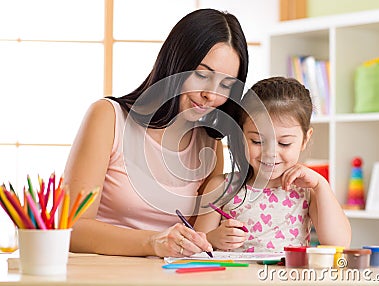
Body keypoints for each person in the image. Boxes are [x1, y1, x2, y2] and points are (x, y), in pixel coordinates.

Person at [63, 8, 249, 258]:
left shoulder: (208, 142)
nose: (211, 95)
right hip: (101, 274)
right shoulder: (109, 117)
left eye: (226, 84)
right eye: (202, 75)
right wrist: (153, 242)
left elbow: (199, 233)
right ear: (175, 63)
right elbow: (71, 229)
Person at [194, 77, 351, 252]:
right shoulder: (222, 187)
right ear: (241, 136)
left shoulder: (308, 191)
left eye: (284, 143)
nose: (270, 153)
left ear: (305, 139)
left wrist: (322, 186)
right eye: (257, 141)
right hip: (235, 279)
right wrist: (212, 239)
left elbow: (339, 244)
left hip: (288, 278)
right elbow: (196, 246)